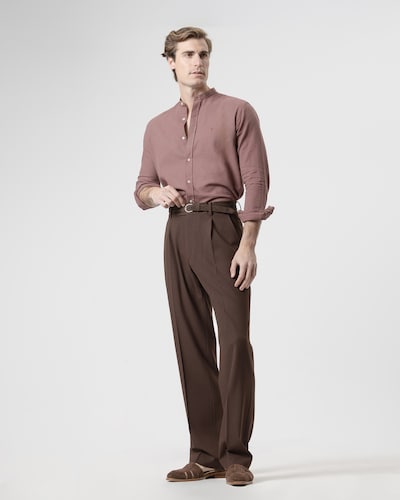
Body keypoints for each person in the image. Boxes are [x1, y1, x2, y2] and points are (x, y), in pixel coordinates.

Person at [134, 26, 274, 486]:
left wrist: (248, 243)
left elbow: (256, 179)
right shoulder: (156, 127)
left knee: (234, 342)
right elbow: (141, 187)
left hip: (223, 228)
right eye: (189, 54)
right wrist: (157, 194)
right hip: (177, 232)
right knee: (191, 343)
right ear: (170, 62)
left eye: (203, 54)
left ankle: (236, 455)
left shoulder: (237, 111)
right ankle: (204, 454)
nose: (198, 62)